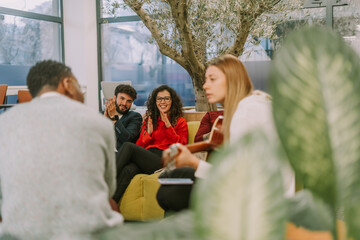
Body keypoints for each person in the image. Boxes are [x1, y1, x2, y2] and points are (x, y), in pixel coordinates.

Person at [0, 60, 123, 239]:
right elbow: (108, 189)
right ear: (67, 84)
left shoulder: (4, 123)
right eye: (78, 85)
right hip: (86, 234)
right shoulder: (99, 123)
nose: (80, 92)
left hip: (19, 234)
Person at [157, 54, 294, 212]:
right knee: (173, 182)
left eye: (212, 79)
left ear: (232, 79)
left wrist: (194, 163)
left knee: (168, 193)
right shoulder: (255, 102)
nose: (205, 86)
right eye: (206, 80)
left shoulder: (244, 112)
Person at [112, 85, 188, 203]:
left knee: (128, 146)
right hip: (147, 158)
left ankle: (106, 178)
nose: (163, 102)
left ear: (172, 101)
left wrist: (168, 126)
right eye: (159, 99)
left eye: (166, 98)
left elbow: (181, 146)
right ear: (155, 101)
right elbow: (140, 145)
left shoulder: (180, 121)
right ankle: (109, 205)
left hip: (163, 160)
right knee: (128, 170)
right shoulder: (150, 120)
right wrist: (149, 134)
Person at [103, 84, 142, 151]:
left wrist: (114, 118)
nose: (124, 103)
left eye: (129, 101)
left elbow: (127, 139)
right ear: (115, 98)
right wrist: (104, 120)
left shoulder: (135, 117)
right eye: (122, 98)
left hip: (120, 154)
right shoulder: (101, 114)